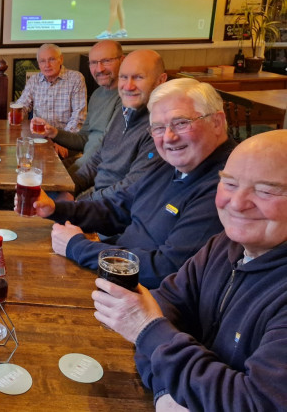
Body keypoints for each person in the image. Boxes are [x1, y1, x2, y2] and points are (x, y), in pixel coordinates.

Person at [93, 130, 287, 411]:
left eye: (266, 190)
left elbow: (254, 403)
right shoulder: (226, 244)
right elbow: (164, 303)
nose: (237, 203)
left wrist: (148, 331)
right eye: (230, 184)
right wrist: (166, 390)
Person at [29, 78, 236, 289]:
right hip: (115, 275)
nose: (169, 137)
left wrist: (78, 247)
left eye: (181, 123)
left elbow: (167, 269)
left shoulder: (226, 187)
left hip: (142, 300)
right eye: (158, 127)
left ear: (217, 122)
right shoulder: (172, 162)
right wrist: (57, 209)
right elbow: (118, 208)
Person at [66, 49, 168, 201]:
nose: (128, 86)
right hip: (96, 201)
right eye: (123, 77)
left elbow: (129, 190)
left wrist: (77, 204)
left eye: (138, 77)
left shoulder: (161, 128)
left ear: (160, 81)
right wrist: (68, 188)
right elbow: (97, 159)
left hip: (112, 212)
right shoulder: (125, 111)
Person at [32, 40, 123, 176]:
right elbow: (84, 139)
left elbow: (103, 153)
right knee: (33, 171)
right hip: (84, 163)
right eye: (93, 62)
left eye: (106, 61)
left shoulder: (126, 99)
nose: (99, 69)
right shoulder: (98, 94)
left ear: (122, 60)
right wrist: (53, 132)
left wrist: (69, 186)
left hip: (96, 171)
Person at [15, 44, 87, 158]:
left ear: (61, 59)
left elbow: (78, 116)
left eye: (51, 59)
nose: (47, 65)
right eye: (42, 61)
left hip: (67, 140)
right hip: (40, 139)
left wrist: (64, 141)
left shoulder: (76, 79)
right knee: (21, 157)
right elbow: (23, 104)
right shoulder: (34, 80)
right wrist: (17, 112)